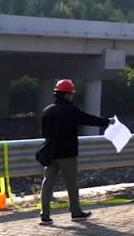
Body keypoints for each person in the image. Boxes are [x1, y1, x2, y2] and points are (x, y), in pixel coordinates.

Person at [39, 79, 114, 225]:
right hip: (68, 154)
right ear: (67, 95)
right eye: (71, 94)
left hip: (50, 153)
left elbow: (44, 132)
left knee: (47, 183)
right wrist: (106, 121)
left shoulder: (47, 111)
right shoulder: (72, 110)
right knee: (71, 184)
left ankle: (45, 215)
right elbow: (88, 119)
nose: (73, 96)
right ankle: (76, 212)